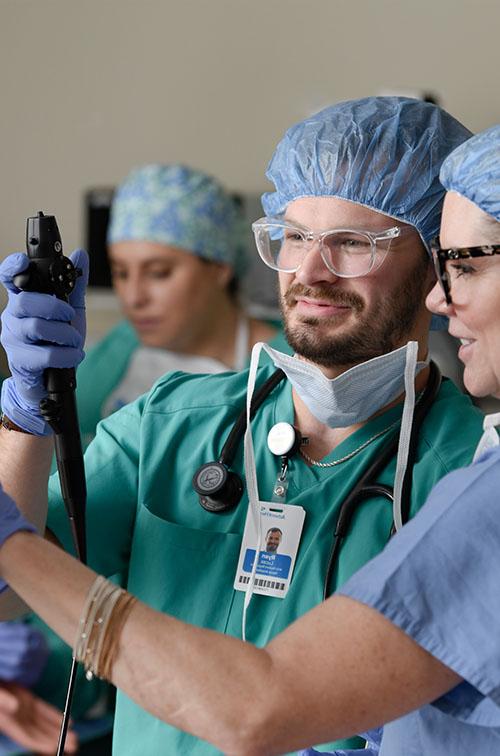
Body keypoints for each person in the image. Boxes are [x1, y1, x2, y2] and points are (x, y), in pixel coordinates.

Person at [0, 97, 484, 754]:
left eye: (351, 243)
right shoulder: (168, 425)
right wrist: (26, 417)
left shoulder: (468, 472)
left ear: (433, 264)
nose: (310, 271)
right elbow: (10, 596)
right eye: (294, 235)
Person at [77, 163, 286, 447]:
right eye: (121, 273)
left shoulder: (283, 367)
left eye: (158, 272)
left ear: (220, 267)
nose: (133, 298)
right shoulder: (120, 347)